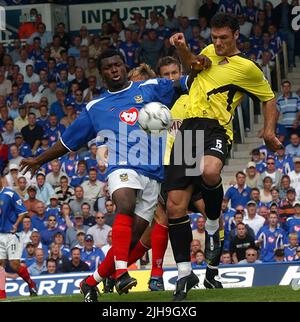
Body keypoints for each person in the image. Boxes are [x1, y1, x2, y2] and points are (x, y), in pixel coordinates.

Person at [20, 49, 196, 302]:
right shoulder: (96, 107)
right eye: (108, 67)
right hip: (122, 165)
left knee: (133, 237)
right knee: (124, 203)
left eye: (117, 65)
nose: (114, 70)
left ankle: (91, 282)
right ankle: (122, 272)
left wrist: (195, 63)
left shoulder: (150, 88)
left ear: (124, 66)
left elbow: (184, 83)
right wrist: (38, 159)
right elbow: (67, 142)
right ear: (102, 73)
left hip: (153, 174)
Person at [165, 13, 281, 300]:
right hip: (188, 131)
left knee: (210, 171)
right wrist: (181, 46)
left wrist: (268, 130)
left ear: (235, 36)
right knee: (174, 207)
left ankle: (214, 223)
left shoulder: (247, 68)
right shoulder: (207, 52)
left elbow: (268, 98)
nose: (217, 43)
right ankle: (184, 274)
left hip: (216, 128)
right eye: (214, 38)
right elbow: (194, 63)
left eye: (223, 38)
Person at [0, 179, 37, 296]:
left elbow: (22, 212)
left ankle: (31, 283)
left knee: (14, 265)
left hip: (12, 233)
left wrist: (16, 225)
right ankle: (2, 295)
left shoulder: (10, 194)